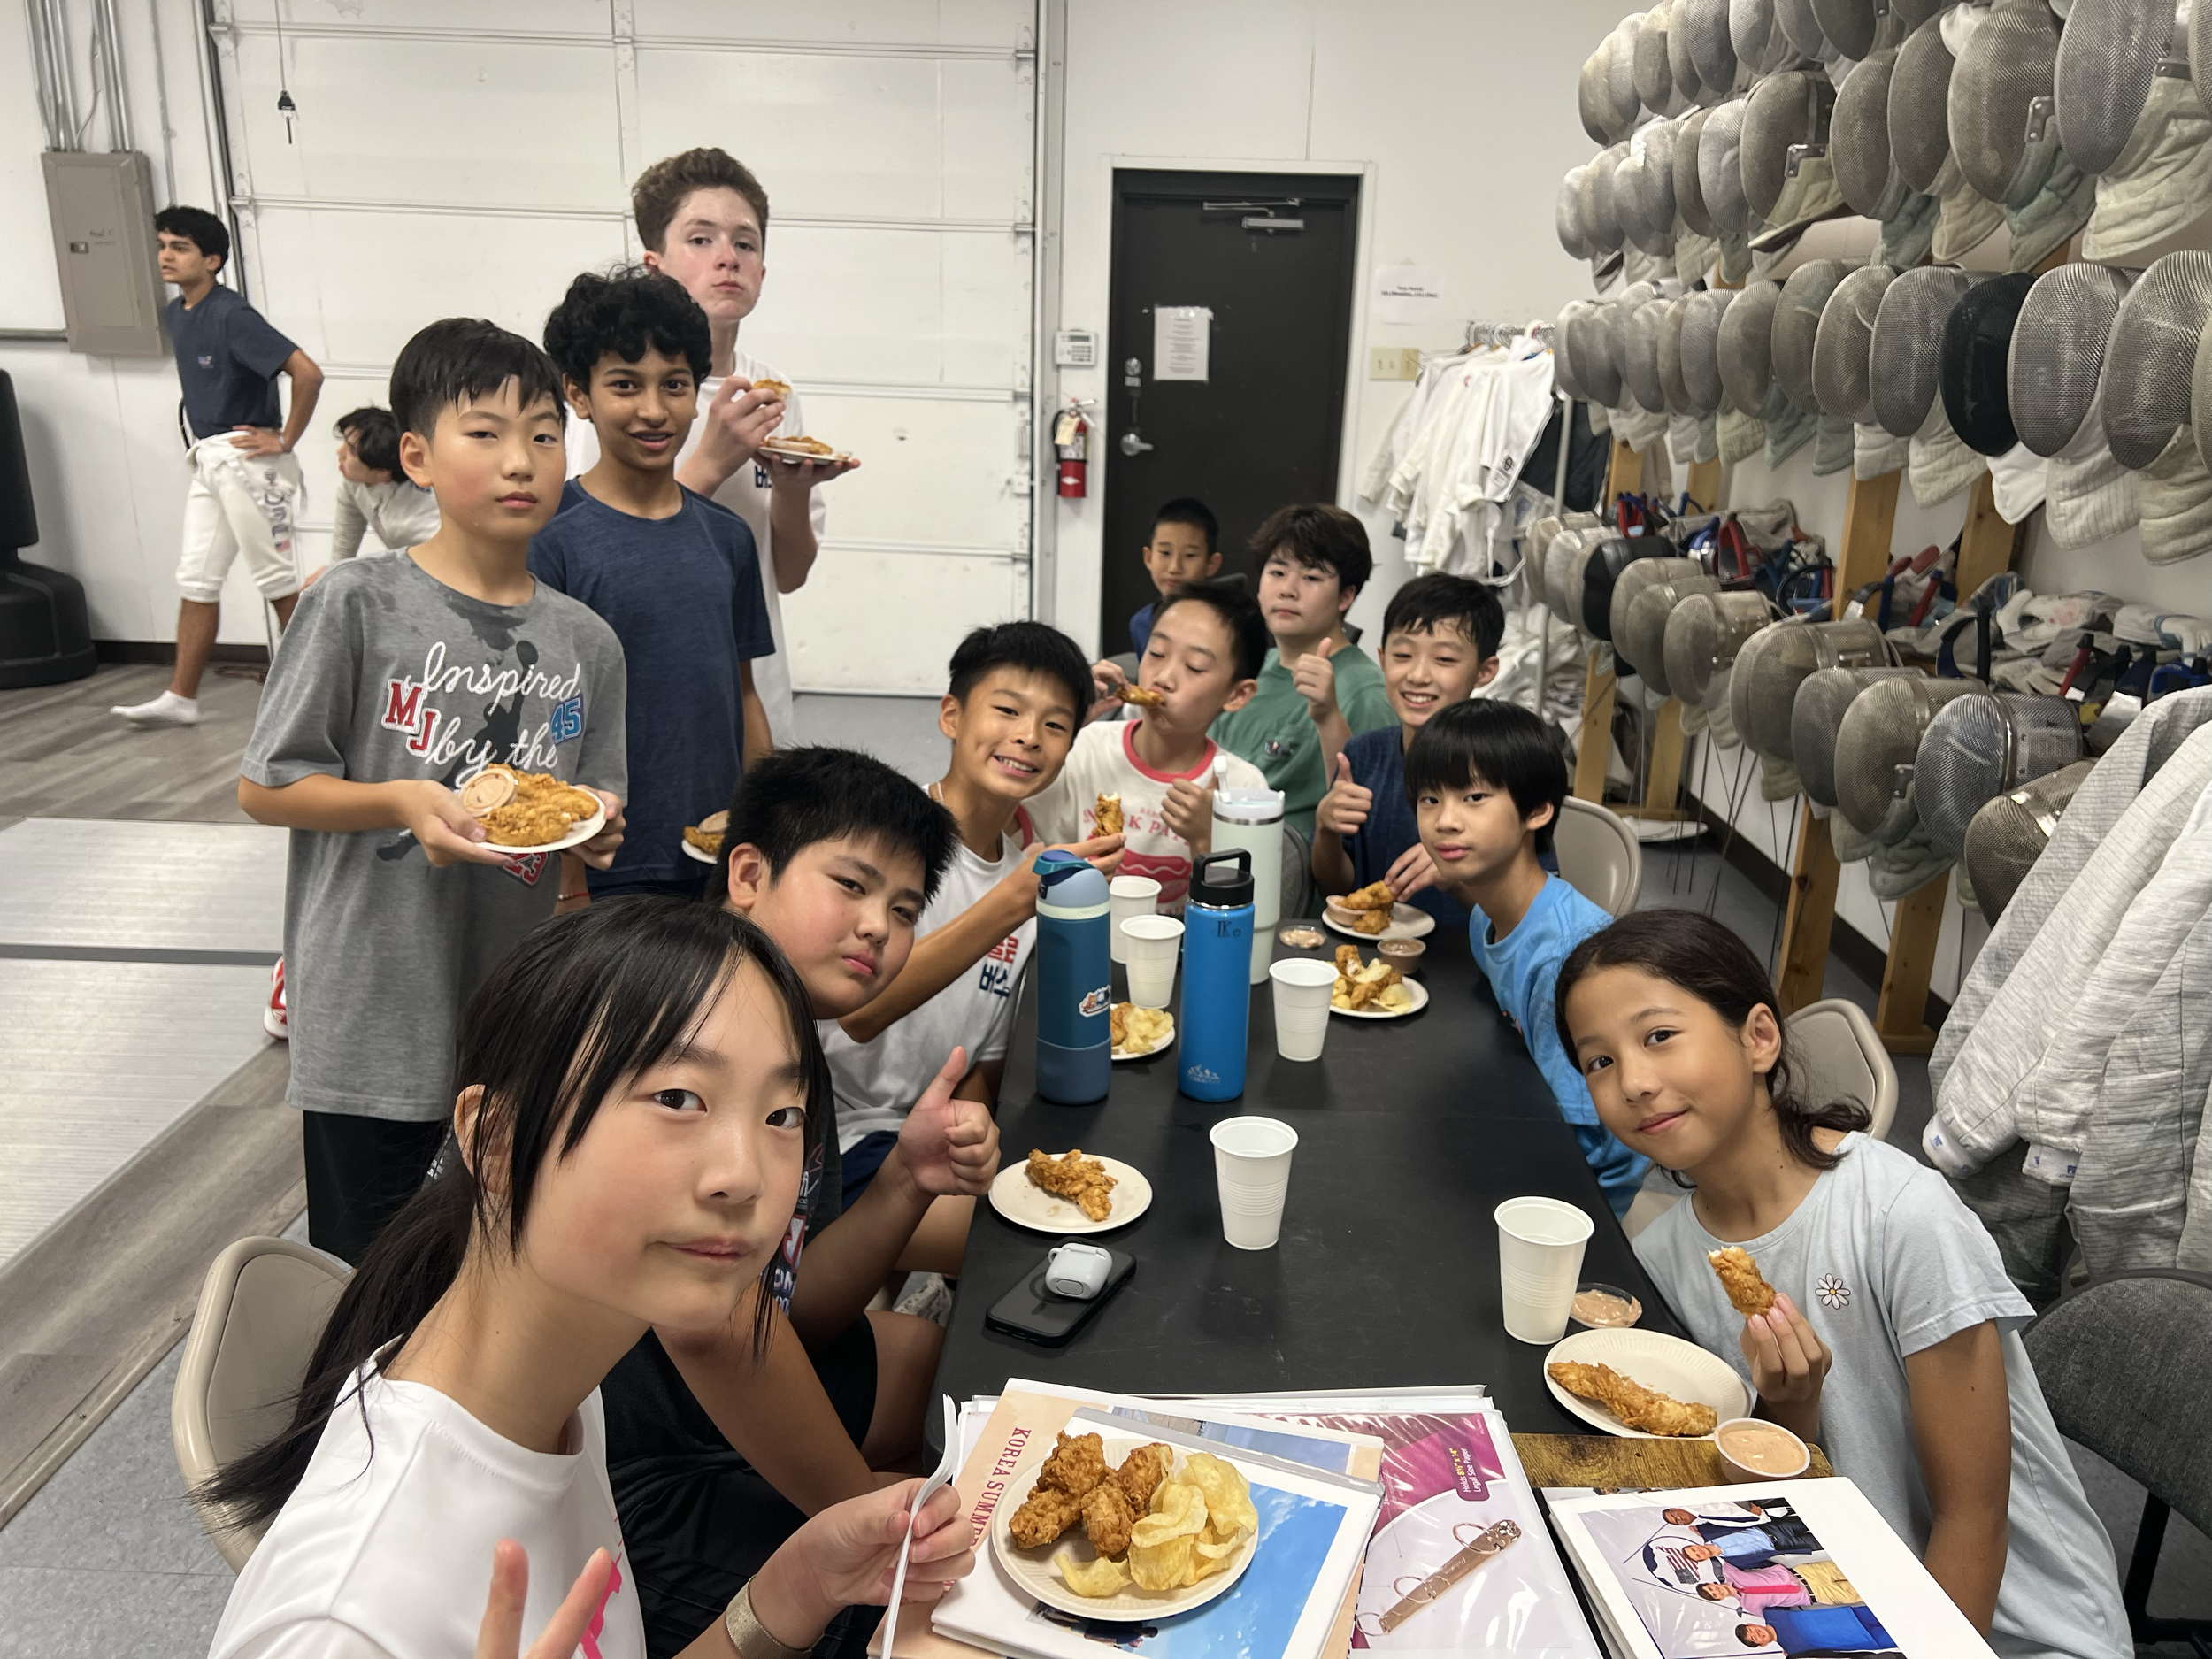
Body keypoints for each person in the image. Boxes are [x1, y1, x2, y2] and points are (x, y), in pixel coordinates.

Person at [200, 900, 975, 1659]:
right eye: (678, 1098)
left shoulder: (562, 1401)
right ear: (495, 1141)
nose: (745, 1177)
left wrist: (798, 1584)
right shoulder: (347, 1619)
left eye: (782, 1114)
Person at [1557, 909, 2132, 1659]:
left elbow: (1973, 1519)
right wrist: (1790, 1408)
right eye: (1598, 1061)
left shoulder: (1902, 1215)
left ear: (1759, 1037)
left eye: (1659, 1035)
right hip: (1831, 1591)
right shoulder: (1663, 1255)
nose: (1634, 1081)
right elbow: (1782, 1479)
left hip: (2006, 1628)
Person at [236, 318, 628, 1265]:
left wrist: (597, 832)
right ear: (415, 455)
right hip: (373, 1002)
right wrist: (403, 800)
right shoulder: (356, 603)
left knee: (488, 1256)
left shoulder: (586, 642)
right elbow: (267, 786)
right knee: (364, 1271)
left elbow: (593, 797)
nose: (522, 460)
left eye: (543, 433)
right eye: (484, 433)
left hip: (507, 1007)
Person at [606, 745, 1004, 1654]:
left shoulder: (785, 1046)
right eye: (851, 886)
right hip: (626, 1468)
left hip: (692, 1394)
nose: (878, 928)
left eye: (903, 910)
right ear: (747, 872)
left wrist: (904, 1178)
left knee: (943, 1375)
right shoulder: (693, 1021)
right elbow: (715, 1328)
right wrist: (859, 1518)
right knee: (935, 1610)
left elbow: (791, 1307)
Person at [564, 147, 856, 746]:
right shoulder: (611, 398)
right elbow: (596, 554)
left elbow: (789, 575)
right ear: (654, 265)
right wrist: (710, 462)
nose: (727, 257)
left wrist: (793, 492)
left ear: (763, 272)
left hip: (753, 683)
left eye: (745, 244)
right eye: (701, 240)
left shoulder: (774, 395)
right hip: (640, 682)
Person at [826, 622, 1119, 1211]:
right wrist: (1011, 903)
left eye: (1056, 724)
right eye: (1007, 709)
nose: (1029, 736)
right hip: (836, 1132)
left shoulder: (1023, 877)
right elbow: (857, 1013)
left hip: (927, 1137)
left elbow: (982, 1065)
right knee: (1025, 1230)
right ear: (952, 715)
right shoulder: (886, 837)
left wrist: (980, 1144)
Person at [532, 266, 773, 902]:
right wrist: (567, 875)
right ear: (578, 395)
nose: (653, 409)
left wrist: (761, 827)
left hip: (713, 854)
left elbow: (744, 698)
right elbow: (538, 717)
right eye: (623, 385)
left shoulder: (728, 539)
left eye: (674, 385)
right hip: (604, 862)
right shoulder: (550, 537)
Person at [1406, 699, 1647, 1216]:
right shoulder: (1484, 916)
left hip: (1584, 1191)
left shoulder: (1564, 956)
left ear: (1537, 810)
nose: (1445, 821)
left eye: (1474, 797)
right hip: (1532, 1121)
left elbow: (1587, 1134)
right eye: (1430, 799)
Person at [114, 205, 325, 728]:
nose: (166, 255)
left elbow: (307, 373)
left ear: (212, 260)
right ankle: (181, 697)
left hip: (248, 459)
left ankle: (330, 691)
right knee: (197, 578)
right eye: (162, 244)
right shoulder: (177, 312)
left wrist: (286, 437)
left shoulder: (232, 315)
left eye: (180, 247)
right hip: (210, 456)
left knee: (276, 579)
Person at [1033, 580, 1268, 912]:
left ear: (1237, 694)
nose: (1164, 677)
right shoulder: (1085, 748)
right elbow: (1004, 826)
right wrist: (1060, 723)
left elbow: (1240, 918)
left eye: (1194, 667)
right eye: (1156, 653)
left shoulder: (1243, 788)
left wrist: (1205, 838)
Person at [1310, 572, 1506, 928]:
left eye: (1444, 660)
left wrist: (1457, 879)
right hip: (1372, 959)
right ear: (1383, 659)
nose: (1418, 675)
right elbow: (1337, 886)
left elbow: (1525, 912)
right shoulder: (1363, 754)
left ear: (1485, 670)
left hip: (1468, 968)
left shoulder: (1506, 767)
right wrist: (1325, 829)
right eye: (1403, 654)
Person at [1207, 503, 1396, 838]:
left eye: (1311, 577)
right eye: (1277, 572)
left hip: (1292, 876)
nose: (1287, 590)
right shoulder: (1250, 671)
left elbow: (1374, 816)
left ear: (1346, 596)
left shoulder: (1365, 691)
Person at [306, 406, 441, 579]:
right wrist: (331, 573)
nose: (339, 453)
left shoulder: (411, 522)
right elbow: (346, 536)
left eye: (352, 452)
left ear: (382, 473)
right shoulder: (355, 483)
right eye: (345, 443)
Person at [1126, 497, 1221, 657]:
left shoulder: (1223, 625)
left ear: (1212, 563)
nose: (1174, 567)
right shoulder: (1140, 624)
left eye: (1190, 555)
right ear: (1148, 557)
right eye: (1165, 553)